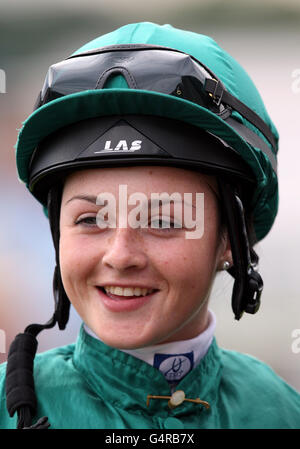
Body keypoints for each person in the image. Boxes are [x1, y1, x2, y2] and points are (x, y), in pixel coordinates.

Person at [0, 21, 299, 430]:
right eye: (90, 219)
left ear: (233, 237)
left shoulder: (281, 413)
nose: (120, 255)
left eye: (161, 221)